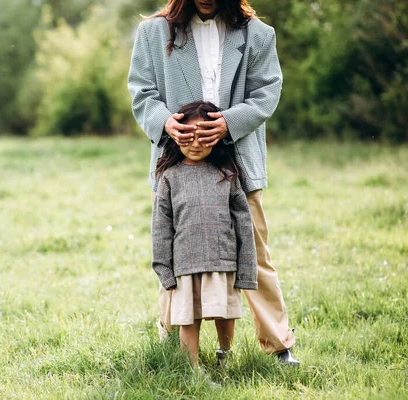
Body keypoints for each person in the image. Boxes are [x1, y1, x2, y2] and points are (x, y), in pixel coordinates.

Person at [127, 0, 300, 365]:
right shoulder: (153, 33)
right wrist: (165, 123)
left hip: (236, 161)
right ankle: (172, 346)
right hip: (177, 159)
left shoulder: (258, 35)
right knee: (175, 253)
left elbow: (266, 92)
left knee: (254, 253)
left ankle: (279, 345)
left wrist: (228, 123)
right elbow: (141, 92)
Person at [152, 101, 257, 368]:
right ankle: (193, 368)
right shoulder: (169, 178)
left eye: (203, 135)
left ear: (216, 135)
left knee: (225, 313)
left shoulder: (228, 174)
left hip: (223, 261)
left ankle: (226, 357)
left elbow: (244, 222)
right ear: (176, 137)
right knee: (189, 317)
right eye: (189, 135)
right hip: (185, 264)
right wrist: (165, 269)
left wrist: (246, 268)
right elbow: (161, 227)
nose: (196, 143)